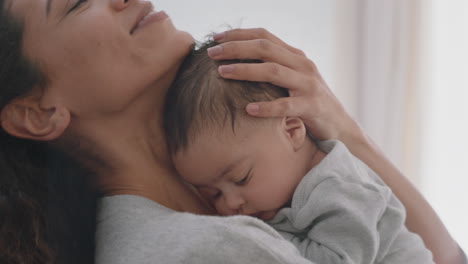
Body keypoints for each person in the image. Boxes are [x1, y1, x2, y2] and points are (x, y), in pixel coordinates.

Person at [0, 0, 465, 263]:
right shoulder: (213, 251)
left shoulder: (238, 203)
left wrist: (342, 130)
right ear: (37, 114)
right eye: (78, 3)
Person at [164, 41, 433, 263]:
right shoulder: (279, 190)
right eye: (213, 194)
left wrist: (253, 237)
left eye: (241, 178)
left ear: (292, 131)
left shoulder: (340, 186)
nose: (229, 205)